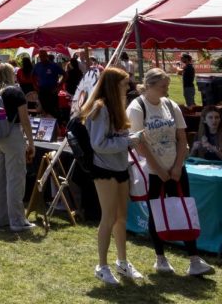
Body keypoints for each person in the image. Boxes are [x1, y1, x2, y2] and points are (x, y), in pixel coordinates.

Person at [128, 68, 213, 276]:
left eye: (167, 85)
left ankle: (194, 259)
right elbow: (139, 144)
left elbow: (182, 138)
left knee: (184, 207)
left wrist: (176, 166)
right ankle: (160, 258)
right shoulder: (137, 107)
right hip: (153, 170)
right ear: (149, 86)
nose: (167, 89)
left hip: (176, 167)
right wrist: (159, 170)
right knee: (156, 211)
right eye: (163, 86)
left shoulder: (170, 105)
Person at [82, 66, 143, 286]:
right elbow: (99, 144)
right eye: (125, 83)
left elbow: (115, 138)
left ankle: (122, 261)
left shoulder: (116, 106)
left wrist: (130, 138)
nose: (129, 86)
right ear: (113, 85)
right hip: (104, 169)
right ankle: (102, 266)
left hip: (119, 168)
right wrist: (128, 141)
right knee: (108, 218)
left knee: (121, 217)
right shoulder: (100, 108)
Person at [0, 63, 35, 232]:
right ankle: (17, 220)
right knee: (15, 178)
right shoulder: (15, 92)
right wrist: (31, 142)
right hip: (11, 136)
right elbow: (24, 119)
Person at [33, 51, 64, 118]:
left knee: (54, 110)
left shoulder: (54, 65)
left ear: (46, 56)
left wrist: (58, 86)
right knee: (43, 110)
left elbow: (65, 75)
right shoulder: (37, 66)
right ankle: (45, 125)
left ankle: (56, 125)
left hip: (52, 90)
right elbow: (32, 76)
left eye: (43, 56)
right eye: (40, 56)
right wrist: (35, 86)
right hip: (42, 91)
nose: (42, 58)